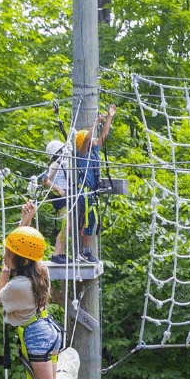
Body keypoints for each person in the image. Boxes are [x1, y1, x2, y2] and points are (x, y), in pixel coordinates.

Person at [0, 202, 67, 379]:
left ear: (17, 259)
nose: (5, 254)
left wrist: (4, 268)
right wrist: (26, 220)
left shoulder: (17, 285)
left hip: (36, 337)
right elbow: (26, 248)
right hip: (47, 330)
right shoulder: (40, 271)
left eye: (8, 252)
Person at [43, 106, 115, 264]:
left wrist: (109, 117)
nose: (95, 141)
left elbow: (104, 136)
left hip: (91, 193)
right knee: (87, 221)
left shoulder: (95, 152)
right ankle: (84, 252)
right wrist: (95, 123)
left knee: (88, 221)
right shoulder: (82, 156)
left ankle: (77, 252)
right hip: (85, 192)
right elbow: (88, 139)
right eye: (91, 140)